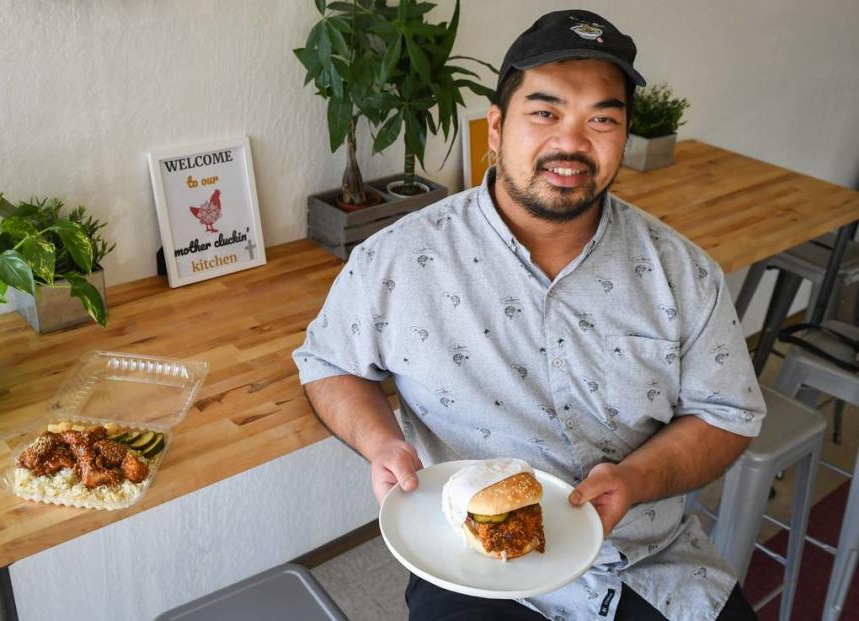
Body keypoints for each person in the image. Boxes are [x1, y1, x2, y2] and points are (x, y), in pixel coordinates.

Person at [292, 9, 764, 621]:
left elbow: (726, 414)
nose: (571, 142)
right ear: (496, 125)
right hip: (471, 564)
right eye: (545, 113)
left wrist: (638, 479)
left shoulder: (682, 272)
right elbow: (327, 363)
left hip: (648, 565)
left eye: (602, 119)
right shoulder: (399, 258)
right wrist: (380, 441)